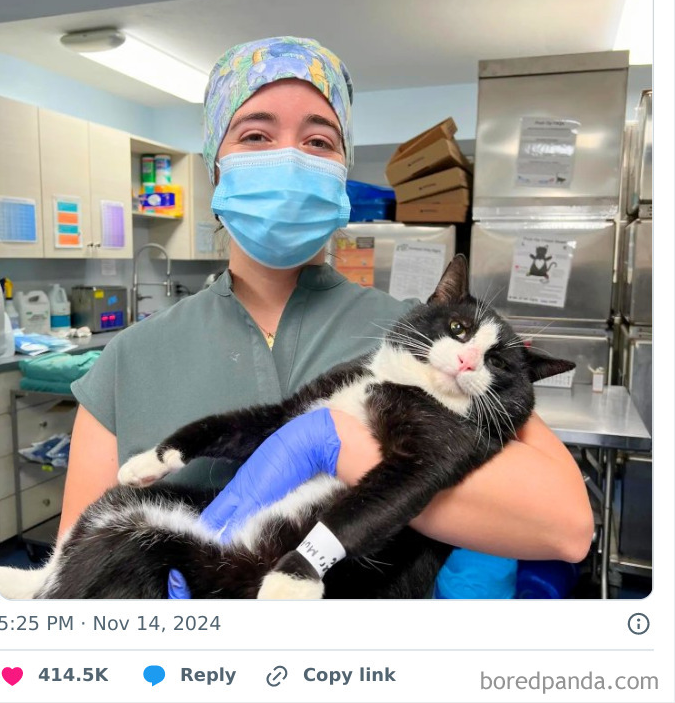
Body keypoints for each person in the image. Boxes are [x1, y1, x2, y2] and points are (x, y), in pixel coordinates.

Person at [63, 36, 592, 596]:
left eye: (319, 140)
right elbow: (76, 577)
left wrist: (340, 444)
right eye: (256, 136)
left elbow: (566, 529)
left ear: (341, 173)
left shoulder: (416, 339)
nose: (289, 159)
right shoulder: (129, 359)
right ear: (215, 168)